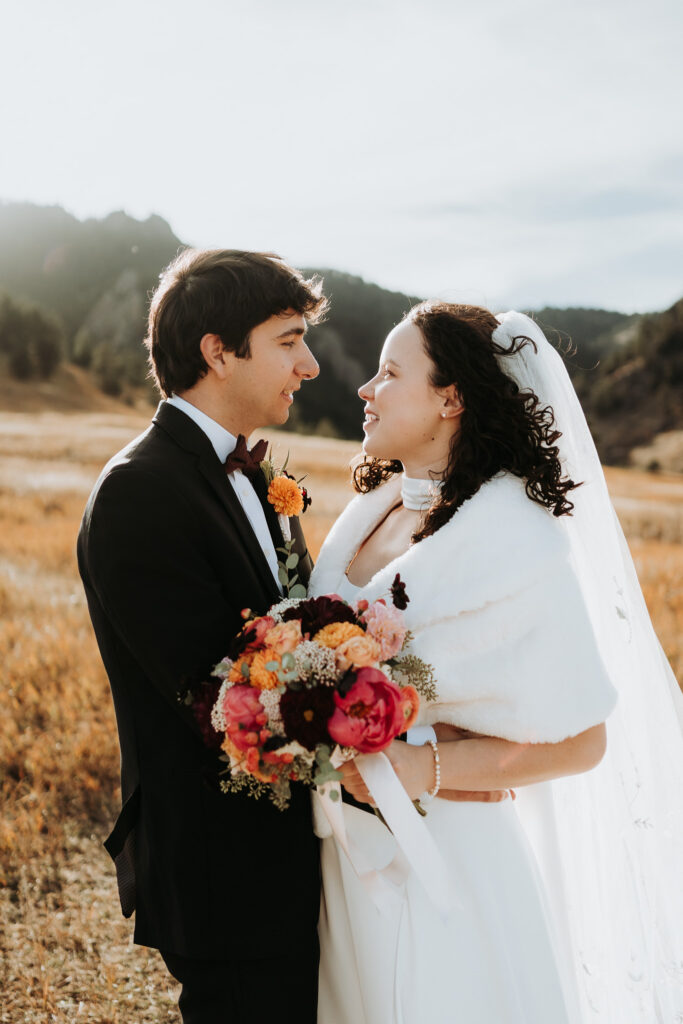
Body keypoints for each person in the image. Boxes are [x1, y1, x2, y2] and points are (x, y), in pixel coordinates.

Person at [309, 303, 683, 1023]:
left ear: (450, 400)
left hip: (448, 859)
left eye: (389, 374)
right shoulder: (372, 511)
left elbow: (582, 740)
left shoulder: (515, 547)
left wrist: (426, 768)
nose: (366, 389)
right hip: (344, 856)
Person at [77, 248, 327, 1024]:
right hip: (226, 869)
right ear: (217, 352)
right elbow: (218, 698)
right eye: (288, 340)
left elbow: (295, 627)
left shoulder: (256, 475)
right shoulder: (139, 490)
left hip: (285, 855)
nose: (310, 365)